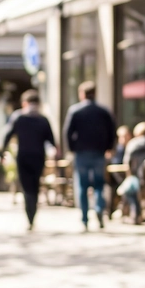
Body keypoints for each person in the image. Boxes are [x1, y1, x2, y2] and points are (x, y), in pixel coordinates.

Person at [63, 81, 116, 231]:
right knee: (99, 184)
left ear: (82, 94)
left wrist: (72, 149)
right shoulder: (104, 111)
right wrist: (109, 147)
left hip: (81, 153)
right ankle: (99, 209)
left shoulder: (75, 110)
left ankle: (85, 218)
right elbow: (112, 131)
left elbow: (68, 132)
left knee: (83, 185)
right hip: (99, 152)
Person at [1, 90, 55, 230]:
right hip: (38, 156)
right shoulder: (43, 119)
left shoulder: (18, 117)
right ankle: (32, 215)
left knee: (26, 187)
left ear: (24, 103)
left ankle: (29, 215)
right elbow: (51, 140)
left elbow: (7, 135)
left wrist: (2, 151)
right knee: (35, 186)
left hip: (23, 156)